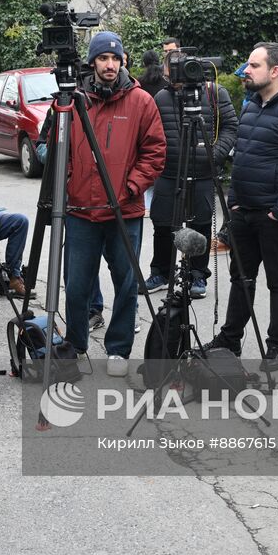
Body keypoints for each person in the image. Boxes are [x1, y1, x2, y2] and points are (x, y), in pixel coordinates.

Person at [207, 42, 278, 370]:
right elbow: (242, 157)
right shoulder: (252, 106)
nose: (245, 71)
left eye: (253, 65)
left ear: (274, 71)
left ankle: (276, 347)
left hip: (274, 216)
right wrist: (235, 204)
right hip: (244, 213)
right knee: (241, 277)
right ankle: (230, 339)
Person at [61, 31, 165, 376]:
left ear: (123, 62)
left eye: (115, 59)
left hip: (125, 210)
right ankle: (74, 344)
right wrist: (69, 179)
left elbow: (155, 152)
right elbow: (55, 145)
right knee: (76, 284)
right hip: (80, 211)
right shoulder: (73, 100)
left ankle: (118, 348)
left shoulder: (140, 102)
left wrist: (131, 187)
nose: (109, 64)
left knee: (126, 282)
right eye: (103, 58)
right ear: (92, 62)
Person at [141, 54, 238, 300]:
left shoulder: (215, 93)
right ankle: (161, 273)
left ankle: (197, 274)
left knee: (201, 226)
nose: (172, 77)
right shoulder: (161, 97)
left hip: (203, 173)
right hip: (169, 173)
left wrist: (214, 154)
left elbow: (231, 125)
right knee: (162, 225)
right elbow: (150, 132)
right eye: (168, 72)